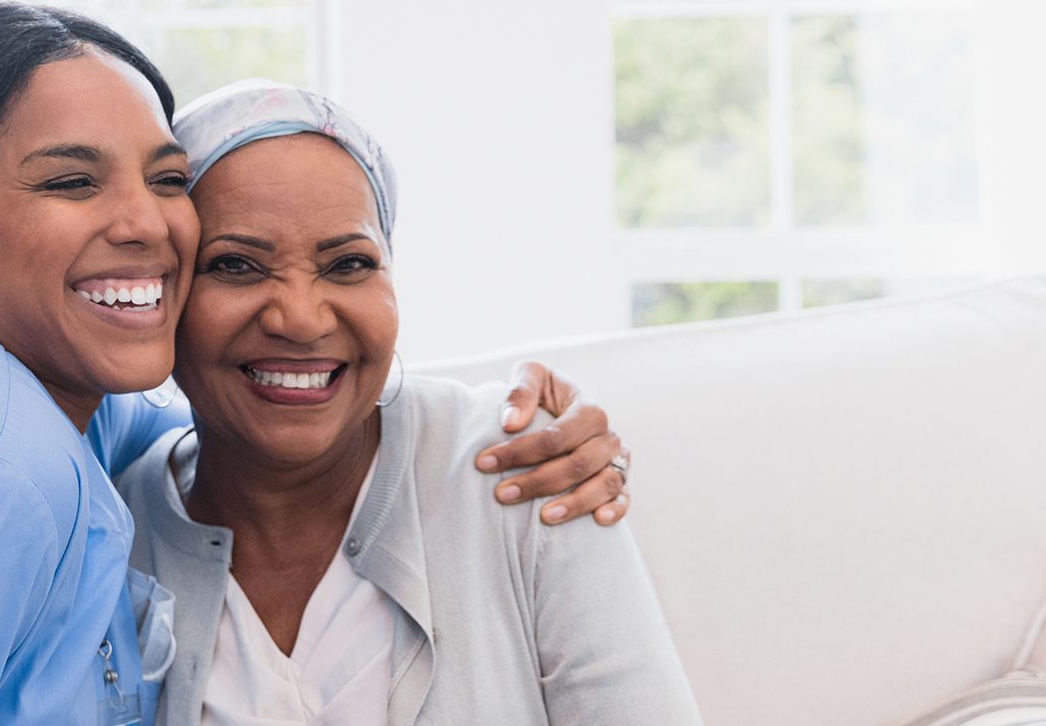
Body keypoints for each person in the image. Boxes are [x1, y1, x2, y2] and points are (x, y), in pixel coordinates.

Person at [0, 2, 629, 725]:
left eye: (164, 178)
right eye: (71, 182)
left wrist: (502, 420)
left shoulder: (69, 412)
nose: (143, 221)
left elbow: (256, 400)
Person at [113, 80, 701, 724]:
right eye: (236, 266)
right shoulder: (108, 536)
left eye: (348, 265)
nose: (302, 319)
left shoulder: (528, 468)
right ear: (160, 294)